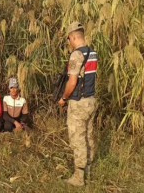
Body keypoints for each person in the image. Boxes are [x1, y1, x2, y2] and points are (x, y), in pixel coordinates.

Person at [58, 22, 98, 187]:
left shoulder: (76, 55)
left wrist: (64, 98)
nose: (69, 42)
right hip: (91, 101)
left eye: (69, 39)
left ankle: (79, 177)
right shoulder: (92, 52)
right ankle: (88, 170)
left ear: (73, 37)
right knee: (88, 136)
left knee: (78, 139)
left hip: (79, 103)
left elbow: (72, 81)